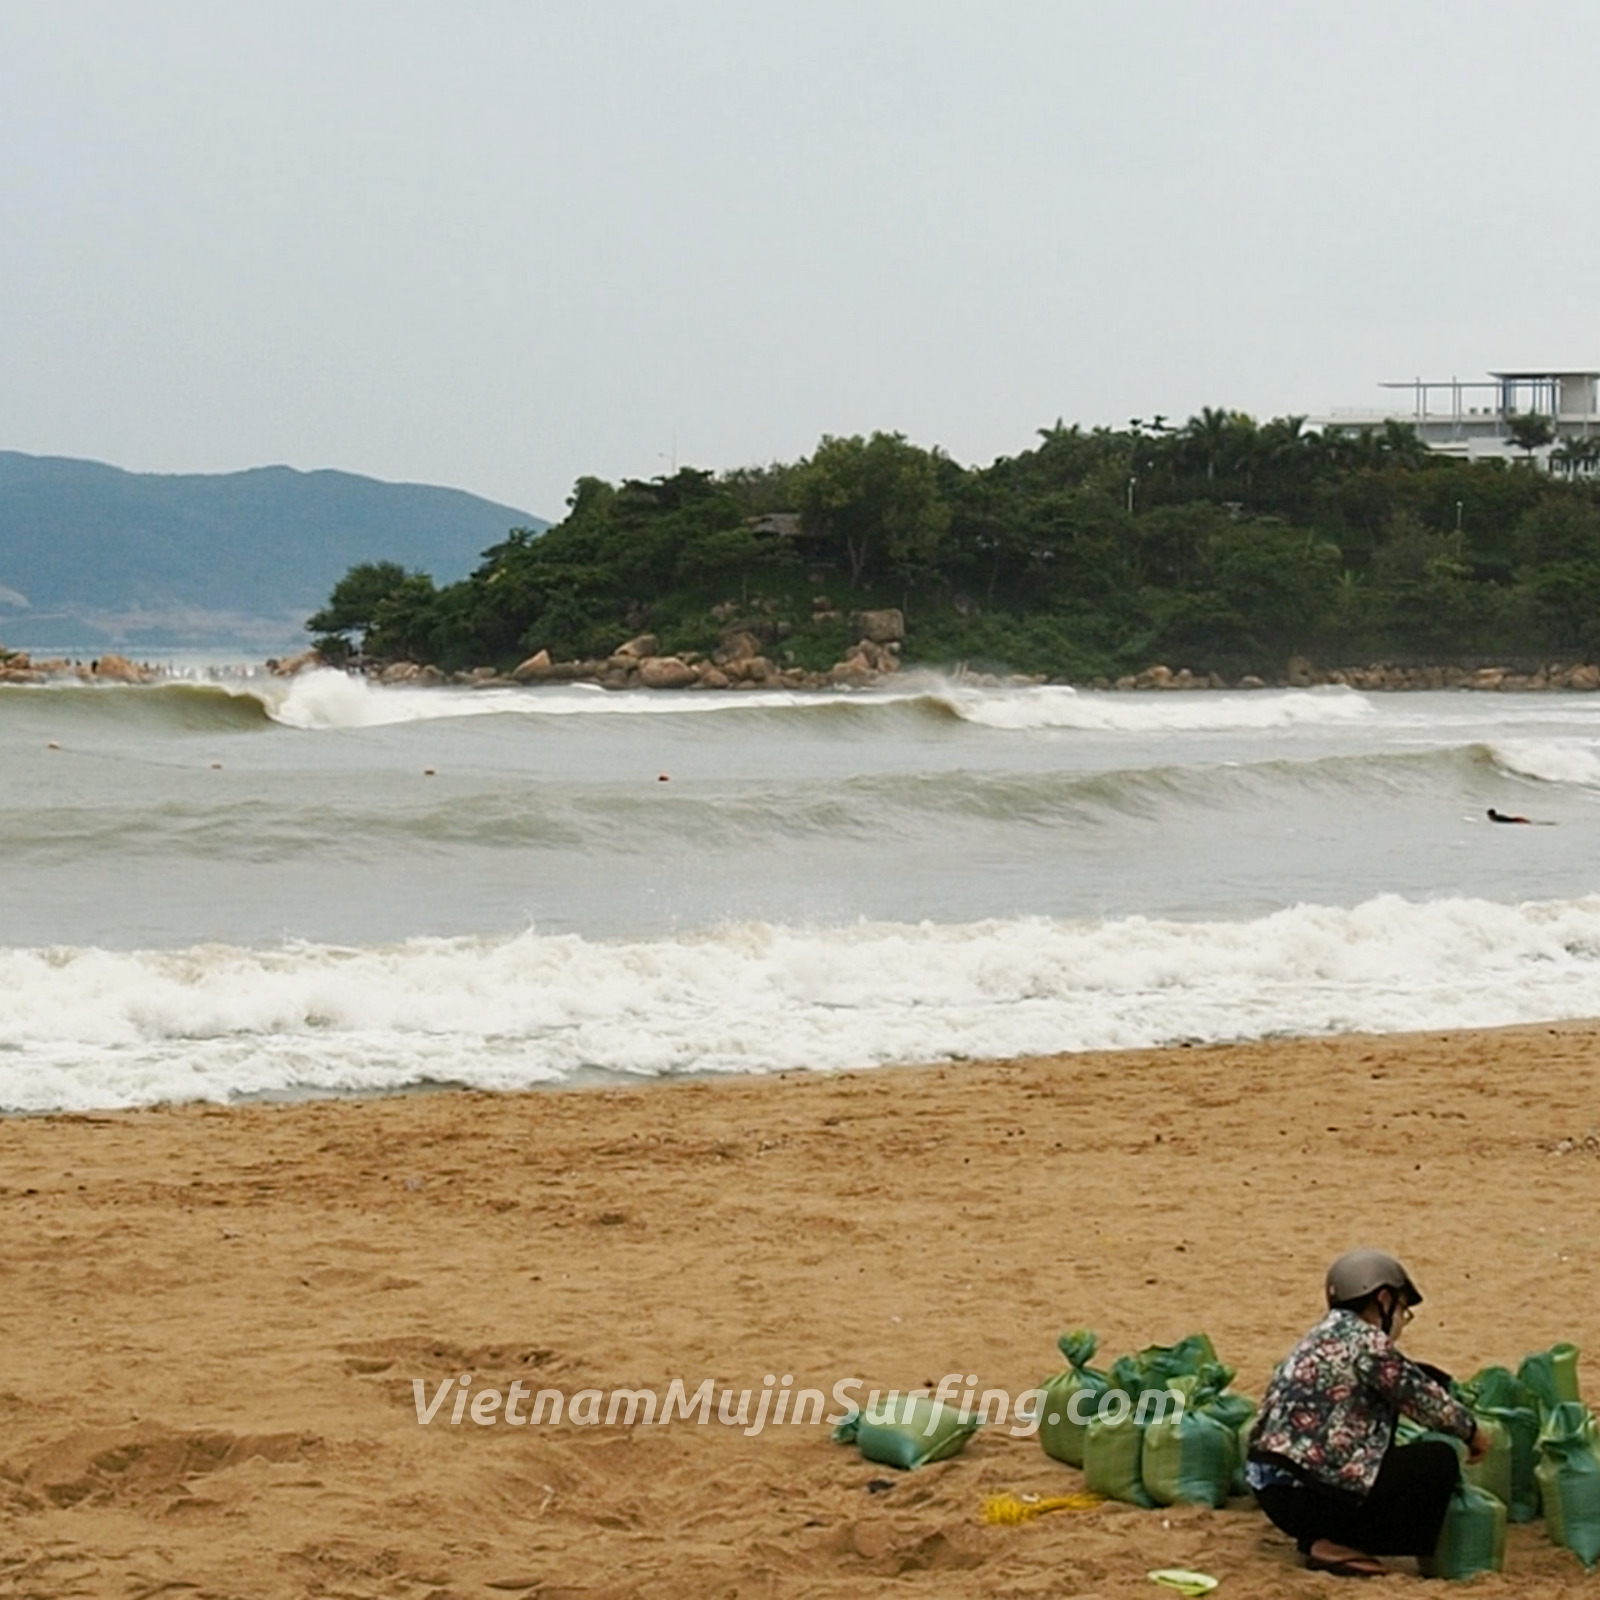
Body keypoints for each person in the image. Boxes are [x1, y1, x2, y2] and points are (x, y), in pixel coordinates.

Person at [1246, 1249, 1490, 1578]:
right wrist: (1473, 1433)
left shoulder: (1322, 1336)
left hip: (1274, 1490)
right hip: (1308, 1494)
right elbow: (1422, 1399)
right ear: (1384, 1299)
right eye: (1403, 1308)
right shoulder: (1368, 1341)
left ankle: (1319, 1538)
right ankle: (1336, 1542)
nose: (1402, 1320)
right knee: (1437, 1461)